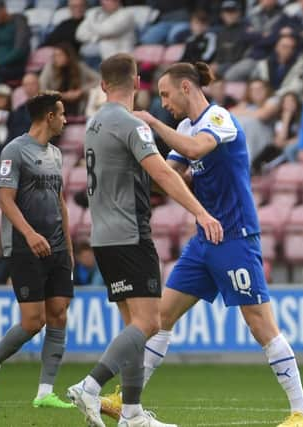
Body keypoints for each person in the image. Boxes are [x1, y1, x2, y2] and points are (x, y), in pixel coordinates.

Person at [109, 61, 303, 427]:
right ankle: (127, 401)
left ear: (186, 87)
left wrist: (152, 125)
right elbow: (168, 176)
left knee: (260, 324)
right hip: (204, 240)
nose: (163, 103)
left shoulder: (218, 119)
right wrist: (138, 162)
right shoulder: (185, 126)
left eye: (165, 94)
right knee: (160, 317)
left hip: (235, 236)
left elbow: (194, 150)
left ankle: (301, 413)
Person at [66, 53, 222, 427]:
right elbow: (163, 177)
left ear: (103, 85)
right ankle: (89, 386)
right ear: (138, 82)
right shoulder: (131, 125)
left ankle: (132, 414)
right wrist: (200, 212)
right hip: (130, 233)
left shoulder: (94, 123)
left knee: (134, 326)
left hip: (102, 235)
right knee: (150, 323)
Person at [0, 91, 75, 409]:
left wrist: (69, 248)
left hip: (57, 246)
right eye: (61, 114)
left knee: (59, 314)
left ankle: (45, 392)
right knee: (34, 321)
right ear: (48, 116)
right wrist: (30, 234)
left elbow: (60, 203)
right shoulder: (14, 150)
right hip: (24, 246)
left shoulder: (57, 154)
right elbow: (5, 199)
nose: (66, 119)